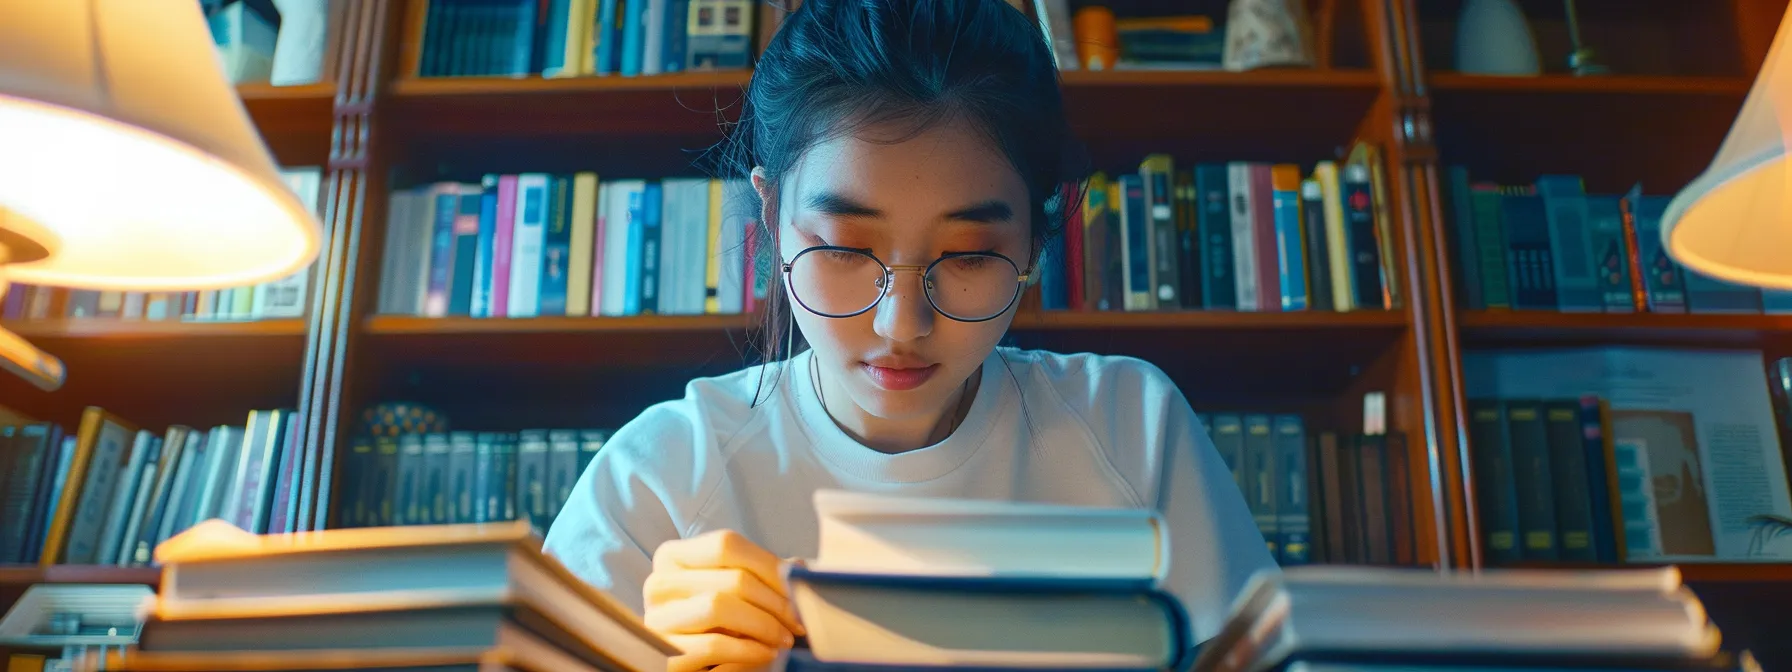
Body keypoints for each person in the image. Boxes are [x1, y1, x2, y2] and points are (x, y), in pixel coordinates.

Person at [542, 0, 1277, 669]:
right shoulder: (657, 483)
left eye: (969, 256)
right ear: (770, 216)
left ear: (1035, 241)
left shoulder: (1132, 433)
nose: (902, 325)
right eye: (844, 248)